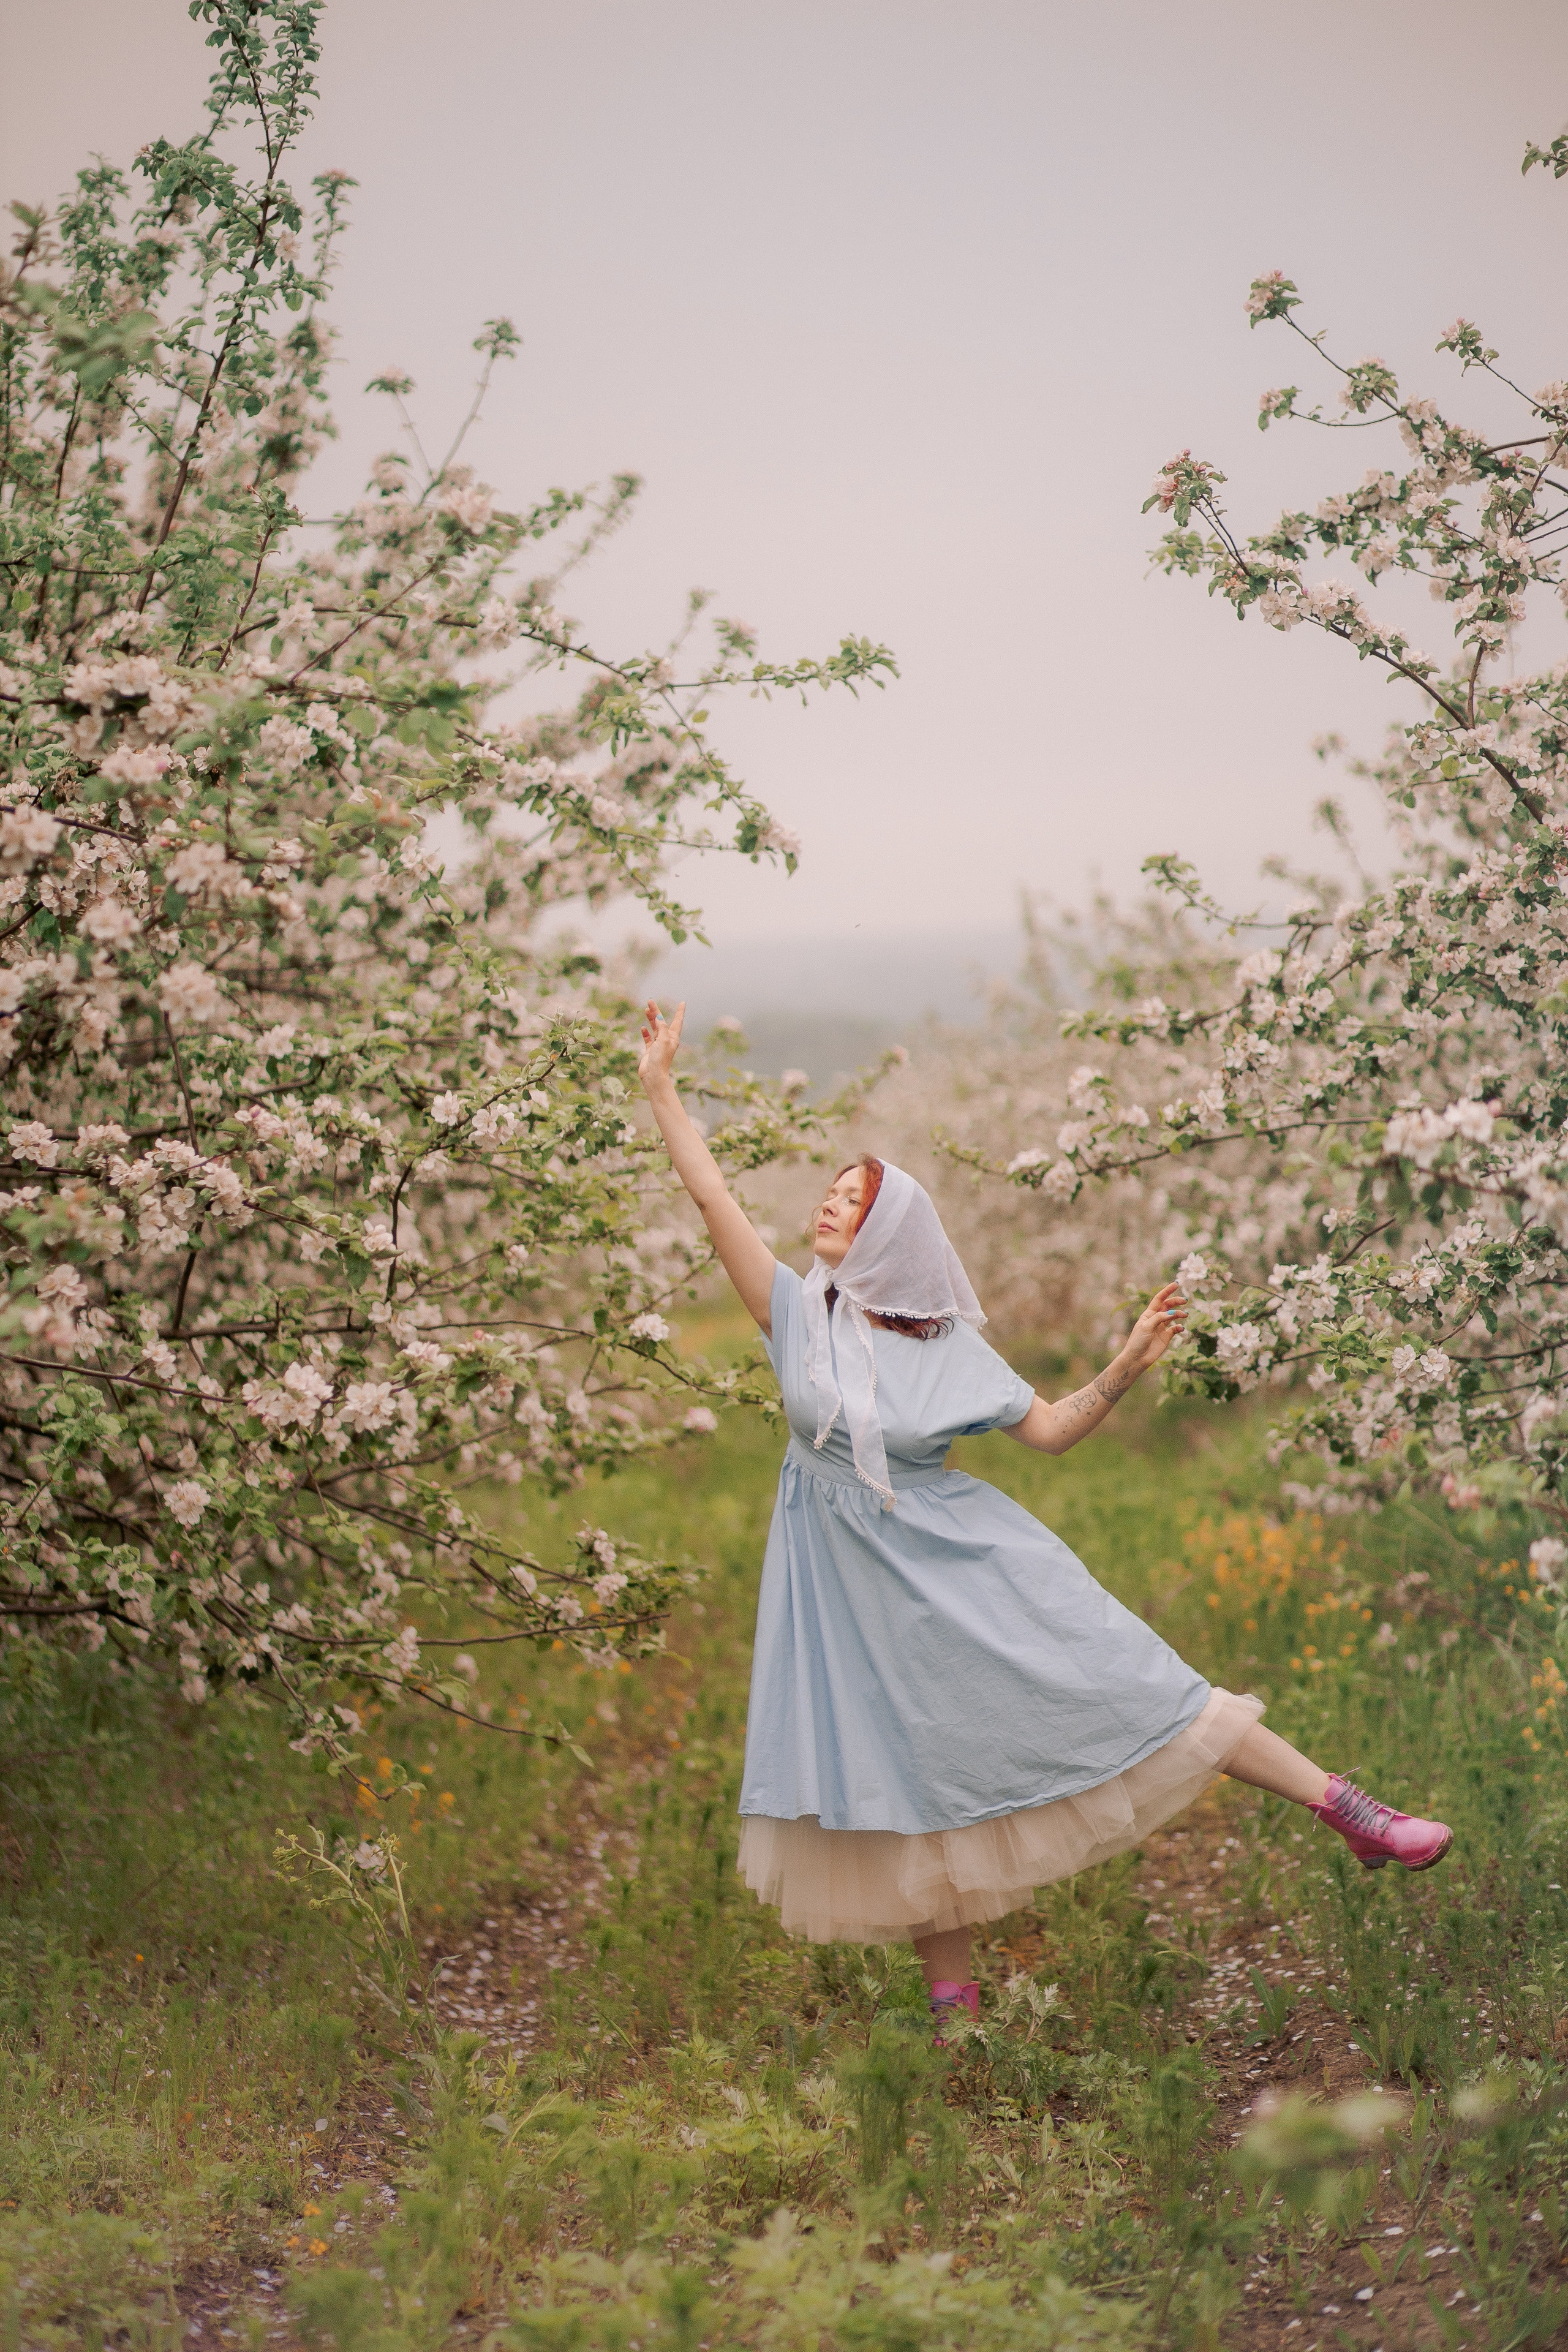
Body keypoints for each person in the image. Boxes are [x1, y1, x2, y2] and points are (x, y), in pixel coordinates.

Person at [637, 1001, 1453, 2025]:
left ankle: (1351, 1809)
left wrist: (1126, 1364)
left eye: (852, 1200)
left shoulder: (949, 1347)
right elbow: (711, 1194)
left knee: (1136, 1679)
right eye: (830, 1195)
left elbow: (1053, 1429)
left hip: (959, 1561)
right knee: (909, 1776)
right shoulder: (794, 1313)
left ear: (891, 1232)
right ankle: (959, 2026)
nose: (828, 1208)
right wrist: (662, 1088)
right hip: (847, 1595)